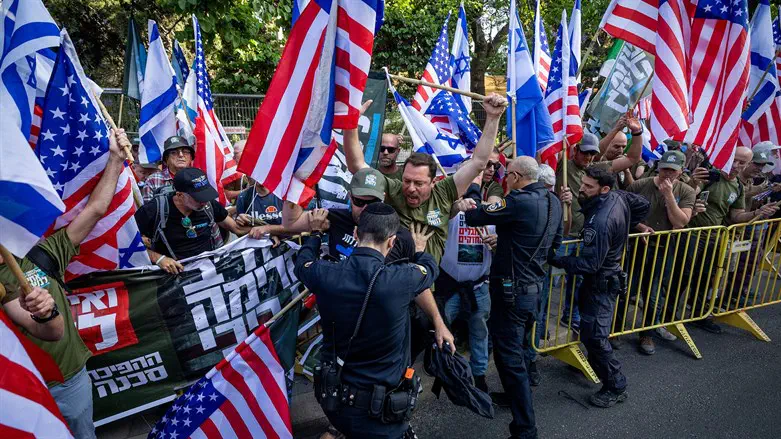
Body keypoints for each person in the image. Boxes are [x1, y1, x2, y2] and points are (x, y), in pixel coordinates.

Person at [0, 129, 130, 438]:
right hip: (24, 388)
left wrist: (115, 158)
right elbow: (49, 329)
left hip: (70, 382)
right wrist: (44, 314)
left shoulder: (41, 254)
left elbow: (95, 210)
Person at [295, 203, 454, 439]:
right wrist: (419, 249)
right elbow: (429, 268)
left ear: (357, 234)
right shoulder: (402, 280)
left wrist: (316, 233)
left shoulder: (324, 273)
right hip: (382, 414)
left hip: (336, 403)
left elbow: (303, 263)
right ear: (391, 243)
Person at [463, 156, 563, 439]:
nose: (505, 179)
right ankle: (514, 396)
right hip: (534, 288)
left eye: (508, 175)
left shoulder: (517, 200)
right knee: (517, 350)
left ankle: (525, 429)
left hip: (512, 293)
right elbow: (554, 243)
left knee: (510, 359)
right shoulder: (553, 201)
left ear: (517, 176)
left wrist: (474, 184)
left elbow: (475, 216)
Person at [343, 94, 508, 264]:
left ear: (433, 182)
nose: (411, 188)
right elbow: (357, 165)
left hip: (428, 286)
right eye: (407, 181)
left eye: (419, 183)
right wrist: (351, 123)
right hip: (391, 282)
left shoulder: (443, 192)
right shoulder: (394, 189)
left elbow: (479, 162)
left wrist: (493, 117)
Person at [551, 166, 649, 408]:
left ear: (604, 189)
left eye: (588, 186)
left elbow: (590, 263)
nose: (581, 188)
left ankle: (615, 385)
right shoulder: (617, 197)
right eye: (582, 183)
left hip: (601, 283)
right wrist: (624, 228)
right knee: (590, 333)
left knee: (595, 337)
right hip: (602, 279)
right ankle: (601, 369)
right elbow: (642, 205)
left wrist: (556, 259)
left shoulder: (602, 220)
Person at [555, 117, 644, 331]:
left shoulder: (597, 168)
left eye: (592, 153)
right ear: (574, 150)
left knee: (580, 281)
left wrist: (637, 133)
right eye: (584, 152)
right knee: (556, 281)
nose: (588, 157)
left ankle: (573, 316)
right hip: (566, 234)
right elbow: (594, 147)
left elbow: (632, 157)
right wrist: (615, 128)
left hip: (587, 235)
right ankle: (545, 325)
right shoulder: (563, 165)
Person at [685, 147, 779, 333]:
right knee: (680, 278)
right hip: (690, 235)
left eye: (741, 162)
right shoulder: (709, 175)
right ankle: (663, 320)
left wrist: (757, 213)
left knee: (706, 278)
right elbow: (688, 194)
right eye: (733, 160)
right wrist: (694, 182)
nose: (736, 165)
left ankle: (698, 314)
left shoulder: (737, 186)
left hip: (715, 238)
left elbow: (737, 216)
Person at [625, 150, 696, 355]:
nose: (667, 174)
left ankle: (646, 333)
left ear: (680, 171)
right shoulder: (640, 185)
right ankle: (616, 329)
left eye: (672, 171)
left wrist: (669, 195)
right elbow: (624, 211)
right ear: (658, 167)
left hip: (665, 249)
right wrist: (640, 227)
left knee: (654, 293)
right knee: (627, 288)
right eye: (665, 168)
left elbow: (680, 222)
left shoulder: (686, 191)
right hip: (638, 245)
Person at [437, 188, 497, 393]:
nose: (473, 206)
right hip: (450, 288)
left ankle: (479, 375)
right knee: (441, 331)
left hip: (479, 287)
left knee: (479, 333)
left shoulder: (492, 219)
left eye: (477, 203)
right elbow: (443, 214)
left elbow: (503, 248)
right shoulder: (454, 217)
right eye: (470, 202)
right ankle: (443, 371)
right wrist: (456, 207)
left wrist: (497, 244)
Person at [134, 168, 250, 273]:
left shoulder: (209, 205)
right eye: (198, 198)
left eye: (206, 196)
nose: (204, 202)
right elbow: (126, 245)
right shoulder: (154, 209)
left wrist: (264, 228)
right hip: (173, 278)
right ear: (180, 195)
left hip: (209, 273)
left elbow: (236, 229)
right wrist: (159, 258)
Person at [141, 136, 195, 203]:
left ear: (191, 158)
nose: (181, 155)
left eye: (185, 152)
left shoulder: (198, 177)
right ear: (166, 160)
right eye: (174, 152)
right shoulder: (153, 180)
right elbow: (148, 210)